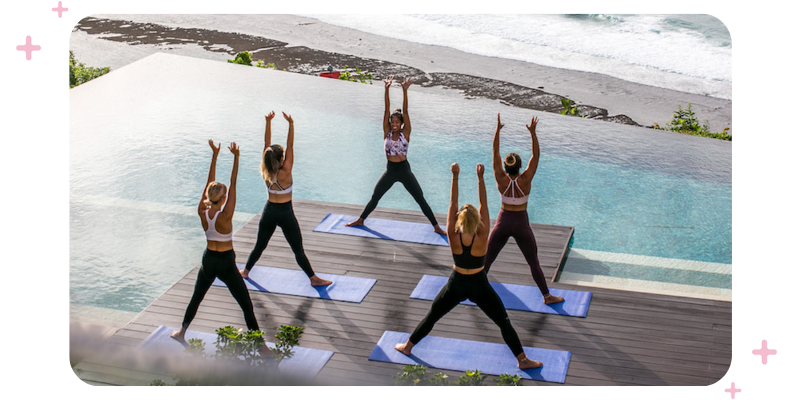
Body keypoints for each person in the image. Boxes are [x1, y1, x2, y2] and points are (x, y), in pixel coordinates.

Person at [394, 162, 543, 370]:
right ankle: (522, 360)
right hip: (479, 284)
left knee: (432, 316)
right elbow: (484, 204)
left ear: (459, 220)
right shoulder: (482, 235)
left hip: (456, 284)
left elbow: (452, 204)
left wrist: (455, 176)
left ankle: (408, 347)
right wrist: (480, 178)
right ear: (477, 220)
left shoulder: (453, 235)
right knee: (503, 322)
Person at [172, 140, 272, 357]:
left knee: (196, 297)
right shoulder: (226, 215)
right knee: (246, 305)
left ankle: (182, 332)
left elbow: (209, 186)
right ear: (224, 198)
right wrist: (236, 158)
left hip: (208, 260)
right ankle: (261, 346)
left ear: (207, 197)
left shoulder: (202, 211)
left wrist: (214, 156)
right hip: (226, 262)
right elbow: (233, 183)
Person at [345, 76, 445, 235]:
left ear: (402, 123)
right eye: (392, 122)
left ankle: (436, 226)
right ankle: (361, 219)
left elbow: (406, 111)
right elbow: (386, 110)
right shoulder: (387, 133)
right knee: (375, 196)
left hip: (404, 170)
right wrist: (386, 89)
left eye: (397, 122)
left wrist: (405, 91)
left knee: (420, 198)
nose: (394, 124)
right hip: (390, 170)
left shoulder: (406, 132)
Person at [241, 111, 332, 287]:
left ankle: (245, 271)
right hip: (285, 213)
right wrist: (291, 124)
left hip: (268, 212)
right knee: (297, 249)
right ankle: (313, 278)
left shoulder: (265, 171)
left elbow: (266, 145)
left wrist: (268, 122)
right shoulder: (285, 171)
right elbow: (290, 145)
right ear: (282, 158)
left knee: (260, 245)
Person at [486, 114, 564, 305]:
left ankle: (471, 288)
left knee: (486, 260)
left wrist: (497, 131)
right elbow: (536, 156)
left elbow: (494, 153)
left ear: (505, 166)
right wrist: (533, 133)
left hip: (503, 222)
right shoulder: (525, 179)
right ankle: (547, 296)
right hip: (521, 223)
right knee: (533, 262)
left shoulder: (500, 178)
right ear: (521, 166)